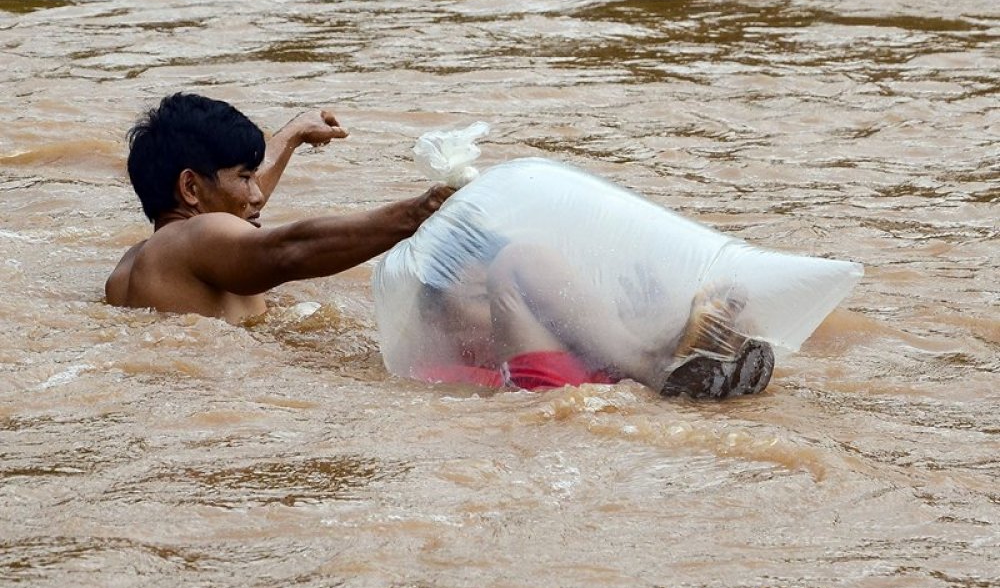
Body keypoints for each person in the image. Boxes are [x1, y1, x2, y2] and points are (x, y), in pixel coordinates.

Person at [106, 92, 453, 323]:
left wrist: (296, 132)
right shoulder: (194, 236)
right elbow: (288, 250)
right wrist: (421, 210)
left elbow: (237, 208)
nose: (257, 195)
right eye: (244, 177)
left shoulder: (135, 263)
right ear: (191, 187)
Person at [414, 227, 775, 399]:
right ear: (440, 321)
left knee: (741, 327)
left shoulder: (569, 340)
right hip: (543, 396)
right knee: (517, 260)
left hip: (606, 395)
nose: (501, 312)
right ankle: (657, 362)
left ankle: (669, 353)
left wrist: (644, 322)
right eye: (484, 297)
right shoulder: (435, 374)